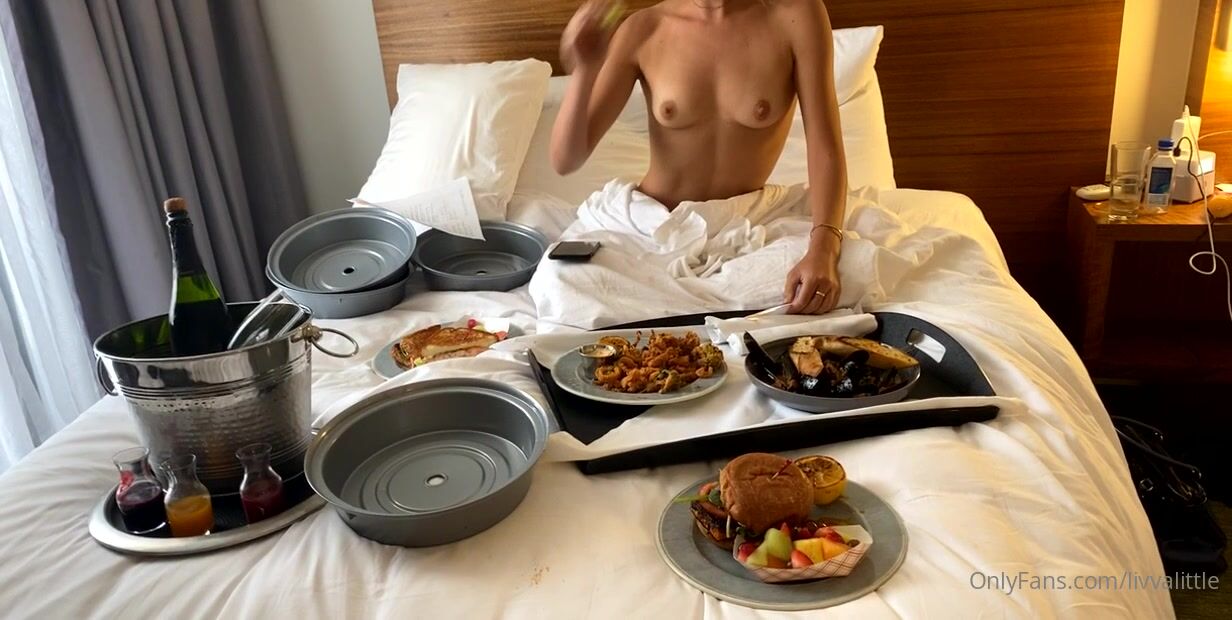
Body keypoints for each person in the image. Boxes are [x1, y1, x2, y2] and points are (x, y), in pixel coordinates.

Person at [551, 0, 847, 314]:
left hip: (747, 226)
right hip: (650, 229)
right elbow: (566, 159)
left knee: (848, 272)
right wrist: (585, 70)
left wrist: (824, 249)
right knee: (562, 280)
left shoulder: (796, 15)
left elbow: (824, 145)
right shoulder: (643, 29)